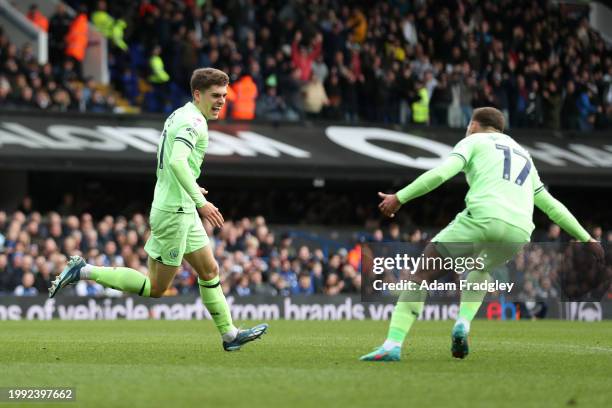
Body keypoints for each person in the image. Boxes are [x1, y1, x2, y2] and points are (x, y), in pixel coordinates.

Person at [49, 68, 268, 351]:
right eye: (215, 95)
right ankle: (85, 271)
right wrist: (201, 202)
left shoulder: (180, 114)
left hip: (179, 204)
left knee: (210, 270)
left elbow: (170, 162)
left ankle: (229, 335)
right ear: (198, 94)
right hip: (175, 212)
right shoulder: (195, 123)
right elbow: (176, 161)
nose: (221, 101)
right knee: (156, 288)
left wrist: (191, 189)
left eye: (224, 96)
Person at [360, 107, 603, 362]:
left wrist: (399, 197)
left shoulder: (473, 141)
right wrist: (587, 237)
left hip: (484, 218)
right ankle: (463, 323)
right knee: (482, 269)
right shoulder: (524, 155)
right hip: (519, 231)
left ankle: (392, 344)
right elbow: (551, 205)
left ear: (474, 125)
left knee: (422, 272)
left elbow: (441, 173)